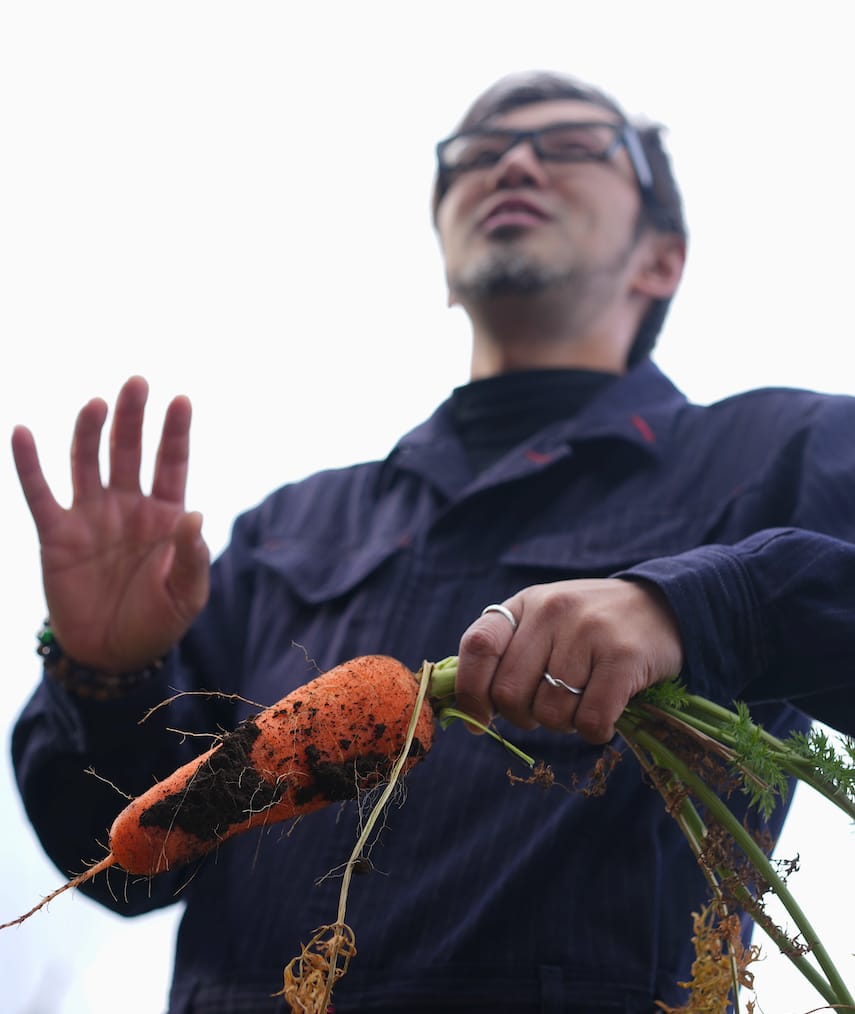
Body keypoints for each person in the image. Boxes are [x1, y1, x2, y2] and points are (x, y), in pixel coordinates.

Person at [10, 70, 855, 1013]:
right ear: (446, 258)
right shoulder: (293, 526)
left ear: (660, 259)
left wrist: (702, 605)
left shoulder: (786, 451)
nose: (515, 162)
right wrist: (102, 675)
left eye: (571, 144)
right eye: (475, 157)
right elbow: (130, 865)